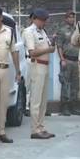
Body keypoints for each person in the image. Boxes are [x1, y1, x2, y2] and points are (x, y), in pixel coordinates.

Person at [0, 7, 21, 146]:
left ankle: (2, 131)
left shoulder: (9, 32)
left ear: (0, 18)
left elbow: (14, 52)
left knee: (3, 103)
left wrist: (18, 71)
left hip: (5, 69)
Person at [22, 8, 56, 139]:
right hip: (36, 66)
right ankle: (35, 130)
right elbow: (32, 52)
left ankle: (41, 127)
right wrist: (48, 48)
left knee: (43, 100)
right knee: (36, 100)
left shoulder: (42, 31)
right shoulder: (29, 32)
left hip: (45, 67)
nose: (44, 23)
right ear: (35, 19)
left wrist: (51, 44)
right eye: (43, 20)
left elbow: (46, 48)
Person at [57, 11, 80, 115]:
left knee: (76, 85)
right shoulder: (62, 30)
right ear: (66, 19)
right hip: (66, 60)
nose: (72, 19)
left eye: (73, 18)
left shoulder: (78, 30)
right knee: (65, 84)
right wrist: (62, 59)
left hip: (76, 61)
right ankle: (65, 108)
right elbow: (59, 46)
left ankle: (74, 107)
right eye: (70, 17)